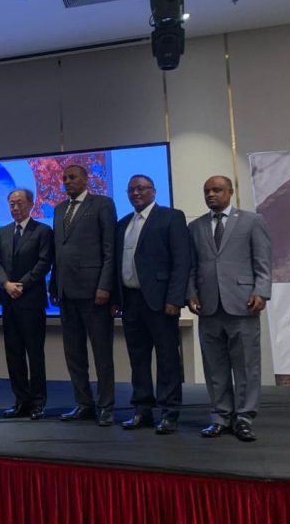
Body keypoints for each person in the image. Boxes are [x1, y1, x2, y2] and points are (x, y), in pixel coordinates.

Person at [187, 175, 272, 442]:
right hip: (208, 306)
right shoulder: (195, 226)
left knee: (246, 365)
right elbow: (191, 266)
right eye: (207, 191)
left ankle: (244, 418)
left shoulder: (252, 221)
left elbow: (263, 260)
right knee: (215, 367)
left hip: (243, 303)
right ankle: (221, 417)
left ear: (230, 192)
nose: (211, 195)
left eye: (217, 190)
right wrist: (191, 293)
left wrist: (261, 291)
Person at [113, 175, 191, 434]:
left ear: (153, 191)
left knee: (167, 358)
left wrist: (175, 299)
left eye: (141, 189)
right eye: (131, 190)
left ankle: (169, 413)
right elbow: (117, 264)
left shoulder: (171, 217)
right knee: (138, 359)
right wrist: (117, 299)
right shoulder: (123, 224)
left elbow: (182, 261)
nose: (136, 193)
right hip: (131, 300)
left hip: (161, 301)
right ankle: (142, 410)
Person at [49, 164, 116, 427]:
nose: (67, 181)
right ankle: (84, 403)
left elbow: (109, 249)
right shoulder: (58, 209)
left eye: (72, 177)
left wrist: (105, 286)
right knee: (74, 353)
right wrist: (54, 285)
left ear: (85, 179)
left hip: (94, 291)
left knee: (102, 353)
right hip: (66, 293)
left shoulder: (102, 204)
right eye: (64, 178)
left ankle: (106, 406)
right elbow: (59, 252)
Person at [0, 188, 53, 421]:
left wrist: (22, 285)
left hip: (31, 300)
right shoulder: (3, 232)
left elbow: (44, 263)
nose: (15, 207)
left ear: (31, 204)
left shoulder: (42, 231)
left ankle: (38, 403)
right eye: (11, 203)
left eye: (19, 203)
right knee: (13, 354)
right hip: (8, 301)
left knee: (35, 354)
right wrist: (6, 284)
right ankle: (21, 401)